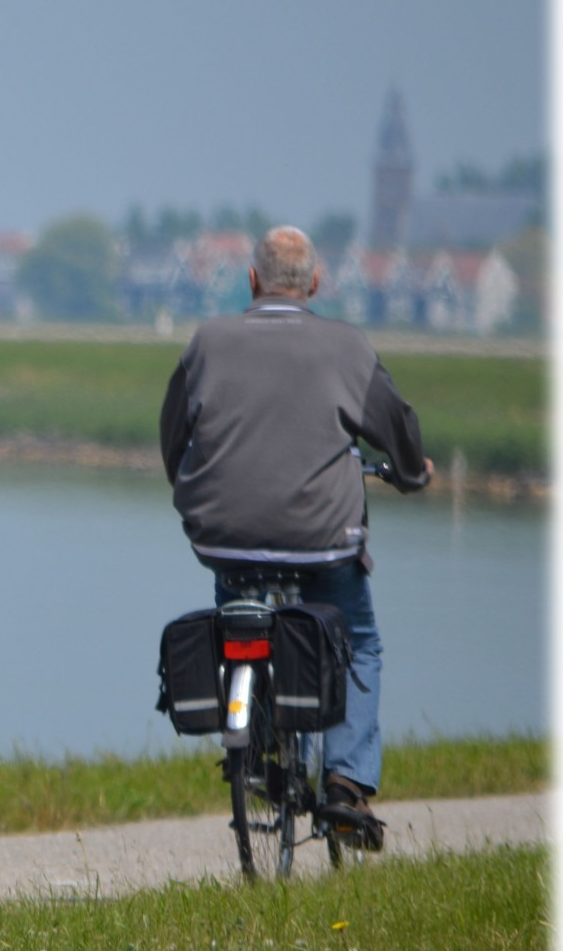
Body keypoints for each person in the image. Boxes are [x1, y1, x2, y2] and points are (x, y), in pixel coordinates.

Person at [159, 225, 431, 848]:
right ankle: (346, 784)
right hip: (322, 540)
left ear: (251, 281)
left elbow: (174, 434)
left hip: (225, 536)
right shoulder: (347, 346)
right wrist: (413, 475)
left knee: (239, 624)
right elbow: (398, 428)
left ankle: (252, 747)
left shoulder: (206, 342)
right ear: (315, 283)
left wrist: (193, 489)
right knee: (358, 643)